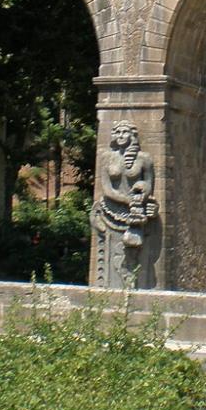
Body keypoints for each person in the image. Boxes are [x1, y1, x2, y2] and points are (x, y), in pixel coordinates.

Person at [91, 120, 158, 286]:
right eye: (118, 132)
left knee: (136, 255)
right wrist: (128, 200)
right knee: (108, 258)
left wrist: (142, 192)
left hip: (136, 211)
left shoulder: (144, 159)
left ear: (132, 135)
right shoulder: (107, 157)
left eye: (125, 132)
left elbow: (149, 184)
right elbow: (107, 189)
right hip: (111, 210)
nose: (121, 136)